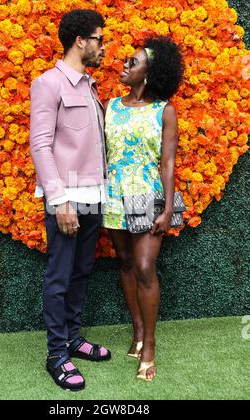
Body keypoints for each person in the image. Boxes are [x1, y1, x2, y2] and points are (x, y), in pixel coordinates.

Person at [30, 9, 111, 392]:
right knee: (60, 275)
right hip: (67, 199)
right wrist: (60, 201)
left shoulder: (89, 87)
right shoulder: (48, 84)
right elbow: (41, 145)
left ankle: (73, 338)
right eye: (100, 39)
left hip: (93, 196)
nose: (103, 47)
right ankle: (56, 354)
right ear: (81, 40)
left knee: (80, 272)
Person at [102, 36, 184, 381]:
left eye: (133, 62)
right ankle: (136, 330)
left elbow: (167, 162)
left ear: (149, 74)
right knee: (124, 262)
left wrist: (166, 208)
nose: (124, 65)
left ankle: (148, 346)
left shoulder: (164, 111)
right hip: (115, 196)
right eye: (126, 60)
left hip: (148, 196)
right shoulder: (111, 105)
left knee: (145, 267)